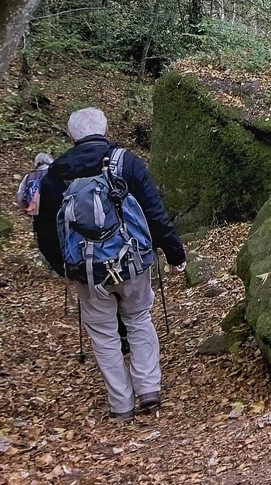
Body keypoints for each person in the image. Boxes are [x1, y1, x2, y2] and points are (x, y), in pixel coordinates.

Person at [25, 109, 191, 416]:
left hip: (86, 270)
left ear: (71, 136)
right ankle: (148, 389)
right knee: (138, 318)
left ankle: (121, 404)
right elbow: (154, 213)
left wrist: (64, 268)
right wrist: (175, 254)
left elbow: (46, 231)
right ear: (104, 128)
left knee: (103, 333)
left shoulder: (55, 174)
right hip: (132, 262)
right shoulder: (125, 162)